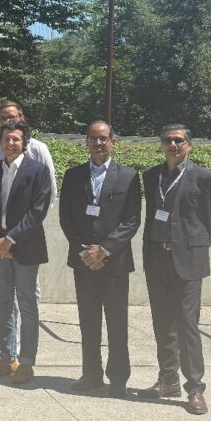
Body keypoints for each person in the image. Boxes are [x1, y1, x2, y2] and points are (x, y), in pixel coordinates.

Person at [139, 124, 211, 415]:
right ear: (161, 144)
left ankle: (195, 388)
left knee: (187, 324)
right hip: (157, 259)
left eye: (179, 140)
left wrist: (195, 245)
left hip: (188, 261)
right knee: (162, 322)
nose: (173, 144)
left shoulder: (203, 177)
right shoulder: (151, 175)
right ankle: (168, 380)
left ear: (189, 145)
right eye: (168, 140)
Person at [58, 121, 141, 398]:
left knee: (116, 322)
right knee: (88, 320)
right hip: (84, 261)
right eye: (93, 138)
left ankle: (118, 378)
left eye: (103, 138)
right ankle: (91, 374)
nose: (98, 143)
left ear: (113, 142)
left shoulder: (128, 176)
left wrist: (104, 250)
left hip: (114, 263)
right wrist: (85, 250)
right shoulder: (73, 176)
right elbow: (66, 217)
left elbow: (132, 220)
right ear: (86, 142)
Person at [0, 100, 56, 351]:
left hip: (25, 245)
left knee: (27, 302)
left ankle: (25, 360)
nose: (10, 143)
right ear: (0, 141)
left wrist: (11, 240)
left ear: (24, 143)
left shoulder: (37, 170)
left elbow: (38, 209)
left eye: (16, 139)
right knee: (3, 303)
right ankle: (7, 355)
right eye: (7, 139)